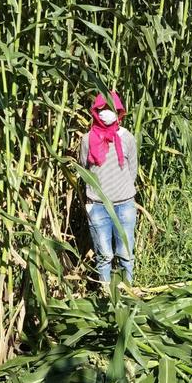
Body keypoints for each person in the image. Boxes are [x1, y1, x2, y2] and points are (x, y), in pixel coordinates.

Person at [79, 90, 138, 285]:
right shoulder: (87, 139)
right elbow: (84, 170)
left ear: (118, 111)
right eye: (101, 108)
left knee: (126, 254)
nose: (106, 112)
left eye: (110, 108)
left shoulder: (126, 137)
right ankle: (106, 294)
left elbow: (133, 169)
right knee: (104, 255)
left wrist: (123, 189)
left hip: (125, 205)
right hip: (98, 206)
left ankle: (127, 292)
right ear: (95, 111)